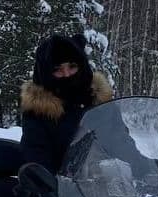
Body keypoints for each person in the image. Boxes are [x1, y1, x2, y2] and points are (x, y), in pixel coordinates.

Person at [20, 33, 113, 173]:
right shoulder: (38, 111)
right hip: (60, 188)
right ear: (46, 73)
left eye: (72, 66)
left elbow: (122, 142)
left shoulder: (99, 102)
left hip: (106, 186)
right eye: (58, 69)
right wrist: (48, 185)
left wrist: (146, 169)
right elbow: (37, 157)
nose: (67, 74)